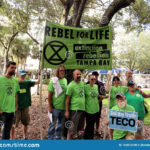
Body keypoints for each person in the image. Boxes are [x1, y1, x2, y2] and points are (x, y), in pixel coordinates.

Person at [11, 70, 41, 140]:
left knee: (26, 123)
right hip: (16, 108)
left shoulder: (27, 83)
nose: (23, 76)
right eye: (21, 74)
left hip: (25, 107)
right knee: (13, 124)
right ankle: (12, 138)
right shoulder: (14, 83)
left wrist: (40, 73)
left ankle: (25, 136)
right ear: (18, 75)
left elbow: (38, 82)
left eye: (24, 75)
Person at [0, 61, 20, 139]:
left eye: (15, 68)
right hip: (1, 111)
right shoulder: (1, 79)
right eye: (12, 68)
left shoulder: (15, 81)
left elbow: (15, 94)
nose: (14, 69)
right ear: (7, 68)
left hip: (11, 111)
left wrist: (16, 106)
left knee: (7, 132)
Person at [47, 65, 67, 139]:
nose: (62, 72)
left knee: (60, 125)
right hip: (55, 107)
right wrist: (50, 106)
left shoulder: (65, 80)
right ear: (57, 71)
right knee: (52, 124)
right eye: (61, 70)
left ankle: (58, 137)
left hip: (63, 107)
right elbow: (49, 95)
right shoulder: (53, 80)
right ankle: (50, 138)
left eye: (63, 71)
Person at [65, 70, 85, 140]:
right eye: (77, 74)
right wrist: (67, 111)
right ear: (73, 76)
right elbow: (67, 100)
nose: (79, 75)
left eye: (79, 74)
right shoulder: (71, 85)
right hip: (75, 110)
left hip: (82, 109)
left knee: (81, 129)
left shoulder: (82, 83)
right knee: (72, 129)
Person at [84, 75, 99, 139]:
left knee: (92, 125)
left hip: (95, 108)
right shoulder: (85, 87)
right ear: (89, 79)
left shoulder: (96, 86)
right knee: (89, 125)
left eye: (94, 79)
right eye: (92, 79)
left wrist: (104, 97)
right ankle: (87, 137)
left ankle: (91, 137)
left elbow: (97, 95)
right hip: (88, 109)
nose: (93, 80)